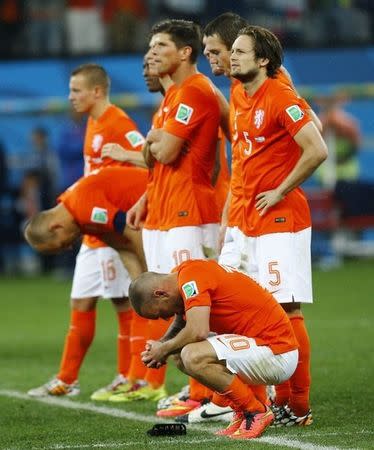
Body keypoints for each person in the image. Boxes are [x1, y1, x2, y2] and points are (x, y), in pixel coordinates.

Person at [114, 19, 224, 406]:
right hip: (164, 211)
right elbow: (154, 155)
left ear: (185, 52)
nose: (151, 53)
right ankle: (196, 385)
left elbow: (164, 152)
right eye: (150, 46)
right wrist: (148, 180)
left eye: (160, 45)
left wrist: (155, 144)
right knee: (168, 304)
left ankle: (207, 392)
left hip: (187, 211)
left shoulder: (194, 91)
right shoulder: (172, 99)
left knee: (193, 303)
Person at [27, 63, 148, 400]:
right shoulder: (93, 123)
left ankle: (132, 376)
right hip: (89, 224)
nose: (71, 97)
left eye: (76, 90)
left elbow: (147, 159)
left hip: (109, 220)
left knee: (124, 301)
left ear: (96, 91)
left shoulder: (117, 122)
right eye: (70, 91)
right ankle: (68, 378)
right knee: (82, 301)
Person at [229, 25, 327, 426]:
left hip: (281, 217)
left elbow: (317, 147)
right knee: (265, 310)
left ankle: (299, 406)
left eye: (240, 51)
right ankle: (282, 399)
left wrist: (280, 188)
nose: (232, 58)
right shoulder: (241, 94)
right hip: (251, 218)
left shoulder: (278, 94)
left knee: (286, 308)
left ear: (263, 59)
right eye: (230, 50)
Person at [128, 259, 299, 440]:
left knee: (192, 355)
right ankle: (241, 412)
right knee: (179, 353)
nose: (164, 319)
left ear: (160, 293)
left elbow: (198, 330)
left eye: (160, 313)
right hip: (258, 347)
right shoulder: (183, 275)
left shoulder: (192, 279)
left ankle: (255, 411)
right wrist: (163, 346)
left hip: (276, 352)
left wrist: (162, 349)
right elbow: (182, 319)